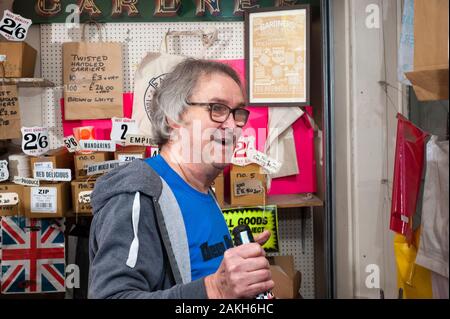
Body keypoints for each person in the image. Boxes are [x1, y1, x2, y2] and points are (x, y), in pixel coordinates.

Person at [88, 59, 274, 299]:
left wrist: (240, 276)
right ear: (172, 118)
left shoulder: (203, 189)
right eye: (217, 108)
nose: (232, 125)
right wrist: (216, 289)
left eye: (238, 112)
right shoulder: (138, 195)